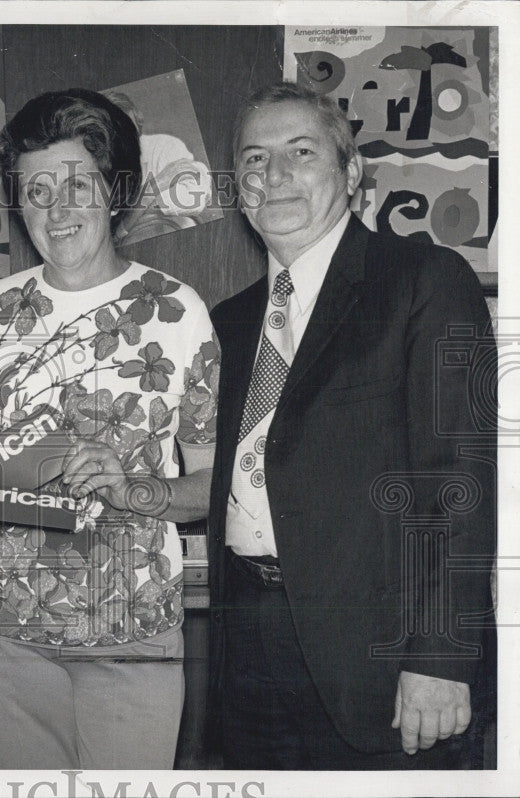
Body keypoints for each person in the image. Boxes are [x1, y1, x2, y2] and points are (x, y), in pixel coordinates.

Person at [0, 88, 219, 769]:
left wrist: (137, 488)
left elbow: (212, 485)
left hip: (133, 637)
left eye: (77, 185)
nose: (56, 211)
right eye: (35, 191)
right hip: (5, 638)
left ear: (116, 192)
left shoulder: (177, 312)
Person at [208, 81, 496, 769]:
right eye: (253, 159)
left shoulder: (425, 279)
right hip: (250, 651)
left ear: (352, 170)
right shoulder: (232, 321)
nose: (272, 175)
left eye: (300, 152)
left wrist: (440, 657)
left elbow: (458, 480)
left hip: (386, 662)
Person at [103, 90, 211, 246]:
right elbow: (111, 236)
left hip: (177, 235)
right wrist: (154, 187)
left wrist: (132, 213)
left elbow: (195, 198)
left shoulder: (165, 147)